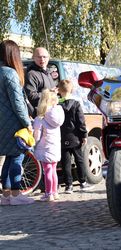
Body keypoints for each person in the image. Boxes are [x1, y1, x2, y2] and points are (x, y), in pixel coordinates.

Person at [0, 40, 35, 205]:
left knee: (8, 158)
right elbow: (17, 102)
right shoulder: (10, 73)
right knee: (17, 158)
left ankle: (6, 196)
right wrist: (26, 122)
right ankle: (16, 194)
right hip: (13, 123)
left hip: (2, 124)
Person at [58, 79, 94, 194]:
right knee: (79, 160)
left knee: (65, 162)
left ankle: (68, 186)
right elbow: (80, 121)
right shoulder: (76, 104)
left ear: (59, 90)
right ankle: (82, 183)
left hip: (62, 137)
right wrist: (84, 134)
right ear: (72, 90)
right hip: (75, 137)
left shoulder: (57, 104)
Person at [33, 89, 65, 201]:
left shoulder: (40, 118)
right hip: (55, 147)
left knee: (47, 171)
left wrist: (33, 144)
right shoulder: (57, 117)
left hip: (44, 148)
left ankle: (48, 193)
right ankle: (55, 192)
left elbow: (36, 136)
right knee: (53, 170)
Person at [24, 47, 57, 116]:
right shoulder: (31, 74)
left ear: (48, 58)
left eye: (44, 57)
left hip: (50, 113)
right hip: (39, 116)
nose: (42, 59)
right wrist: (49, 93)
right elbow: (31, 96)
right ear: (33, 58)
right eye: (39, 57)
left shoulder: (48, 73)